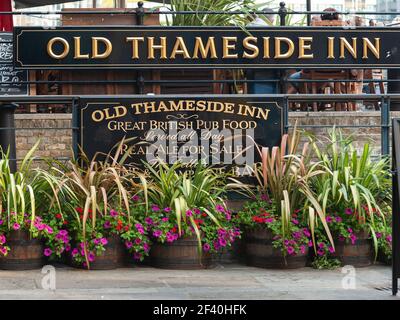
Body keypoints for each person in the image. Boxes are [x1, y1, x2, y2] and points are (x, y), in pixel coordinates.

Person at [246, 8, 279, 94]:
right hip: (268, 65)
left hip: (249, 64)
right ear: (271, 19)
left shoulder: (248, 26)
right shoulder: (271, 29)